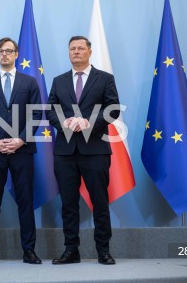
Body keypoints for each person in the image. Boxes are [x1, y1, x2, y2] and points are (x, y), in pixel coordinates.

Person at [46, 36, 120, 265]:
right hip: (65, 152)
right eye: (72, 49)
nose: (76, 52)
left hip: (95, 150)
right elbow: (50, 111)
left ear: (89, 51)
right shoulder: (59, 81)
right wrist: (64, 123)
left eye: (81, 48)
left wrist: (88, 121)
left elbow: (113, 108)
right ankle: (71, 251)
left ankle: (103, 251)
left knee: (99, 201)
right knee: (68, 203)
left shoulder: (105, 79)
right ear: (68, 53)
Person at [0, 37, 42, 265]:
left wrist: (21, 139)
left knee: (26, 201)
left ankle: (29, 251)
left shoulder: (30, 82)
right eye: (0, 51)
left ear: (16, 54)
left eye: (8, 51)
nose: (4, 54)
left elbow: (36, 114)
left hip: (22, 151)